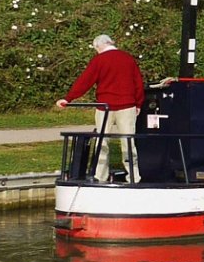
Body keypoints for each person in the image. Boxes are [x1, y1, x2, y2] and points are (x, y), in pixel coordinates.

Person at [58, 34, 145, 183]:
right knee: (128, 142)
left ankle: (100, 175)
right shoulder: (128, 58)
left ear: (99, 46)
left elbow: (85, 81)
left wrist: (68, 98)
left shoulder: (99, 60)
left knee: (102, 141)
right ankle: (133, 176)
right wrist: (138, 103)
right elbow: (138, 82)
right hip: (127, 105)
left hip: (104, 107)